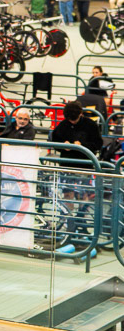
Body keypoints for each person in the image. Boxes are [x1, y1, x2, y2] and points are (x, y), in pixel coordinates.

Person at [48, 101, 105, 256]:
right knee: (68, 196)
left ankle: (81, 224)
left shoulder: (90, 125)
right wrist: (62, 145)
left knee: (84, 197)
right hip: (67, 166)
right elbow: (54, 140)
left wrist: (83, 144)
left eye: (74, 119)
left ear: (81, 114)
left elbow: (98, 144)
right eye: (69, 120)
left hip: (85, 166)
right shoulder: (63, 125)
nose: (71, 122)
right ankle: (69, 224)